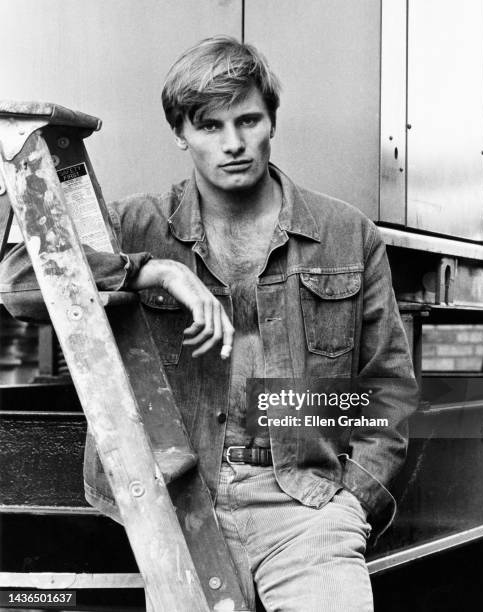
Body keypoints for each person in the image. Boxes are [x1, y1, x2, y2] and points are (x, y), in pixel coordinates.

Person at [0, 36, 417, 611]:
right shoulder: (135, 224)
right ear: (181, 134)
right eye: (210, 127)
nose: (235, 144)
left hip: (305, 504)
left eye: (249, 120)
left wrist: (353, 498)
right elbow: (20, 284)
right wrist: (151, 272)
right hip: (177, 504)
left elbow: (387, 387)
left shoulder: (346, 233)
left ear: (272, 120)